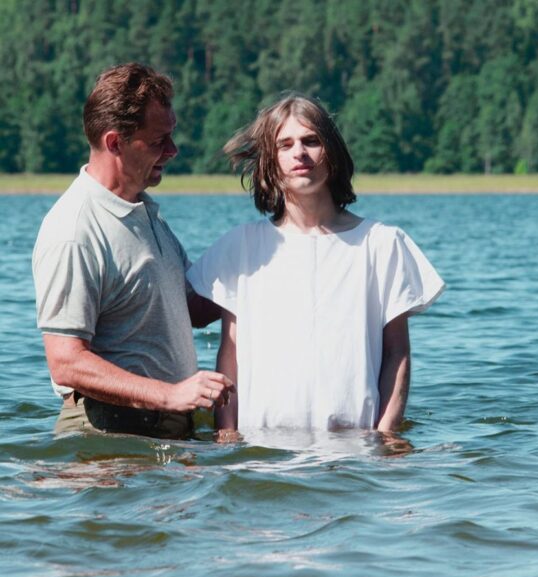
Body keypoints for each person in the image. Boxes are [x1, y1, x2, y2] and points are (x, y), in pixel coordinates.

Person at [186, 93, 444, 437]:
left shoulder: (382, 244)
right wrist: (226, 434)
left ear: (332, 152)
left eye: (311, 141)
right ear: (270, 161)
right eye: (285, 144)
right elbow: (229, 354)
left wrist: (386, 437)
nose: (299, 153)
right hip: (261, 449)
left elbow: (397, 352)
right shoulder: (240, 246)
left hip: (356, 448)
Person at [32, 63, 234, 439]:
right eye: (159, 141)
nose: (173, 151)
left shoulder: (142, 212)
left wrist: (255, 262)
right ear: (115, 143)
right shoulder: (75, 230)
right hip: (108, 437)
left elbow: (192, 308)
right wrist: (170, 394)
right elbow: (65, 362)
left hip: (164, 429)